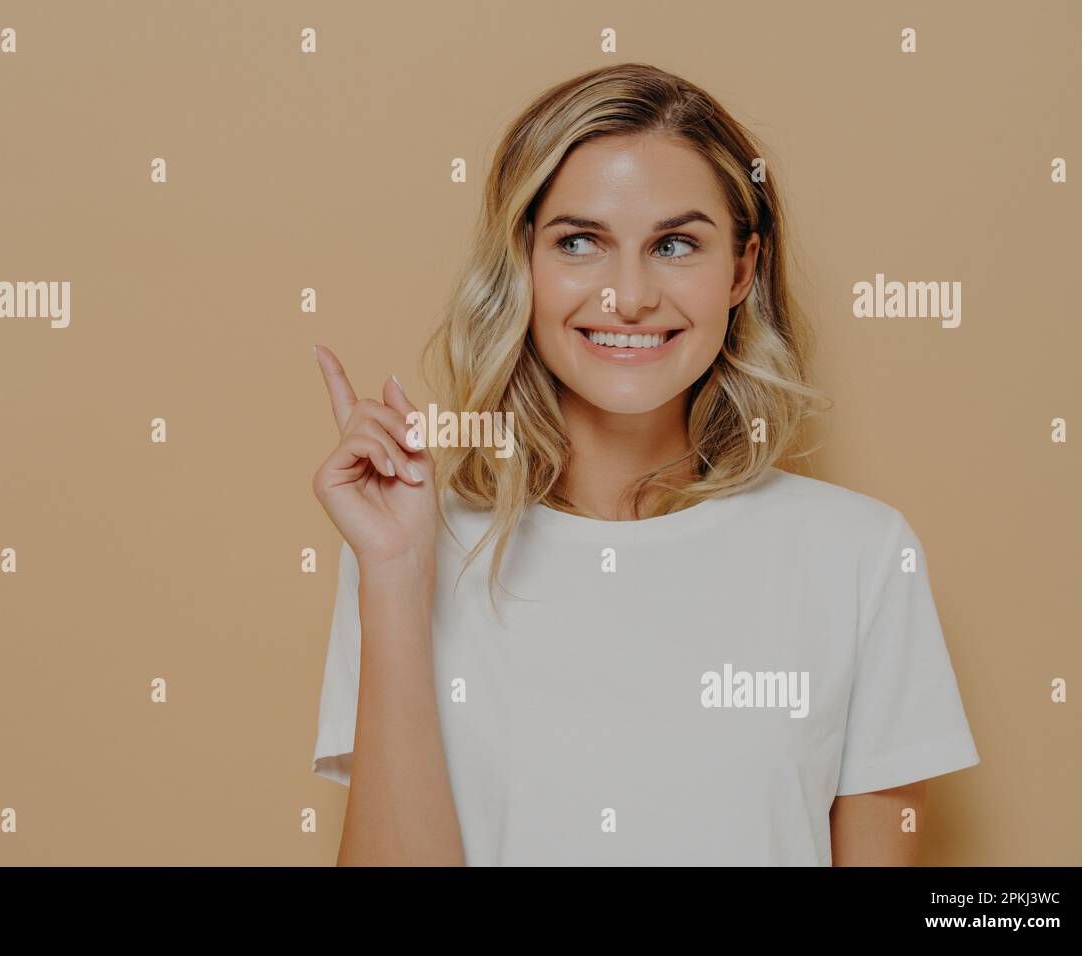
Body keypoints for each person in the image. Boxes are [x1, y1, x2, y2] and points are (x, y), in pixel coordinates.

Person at [309, 62, 980, 866]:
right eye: (581, 242)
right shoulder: (409, 548)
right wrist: (393, 573)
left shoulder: (860, 558)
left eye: (674, 244)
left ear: (741, 270)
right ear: (524, 263)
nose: (628, 296)